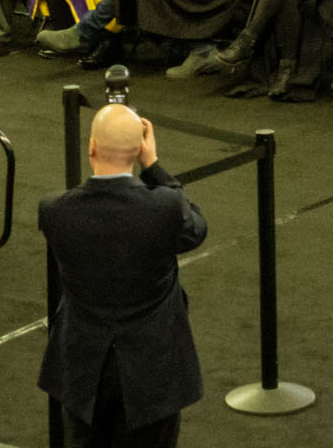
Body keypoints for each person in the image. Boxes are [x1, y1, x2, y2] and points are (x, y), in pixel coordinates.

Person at [39, 101, 207, 448]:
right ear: (139, 152)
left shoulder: (55, 211)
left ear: (92, 147)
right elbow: (195, 228)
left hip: (84, 371)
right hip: (152, 373)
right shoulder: (165, 207)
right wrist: (155, 167)